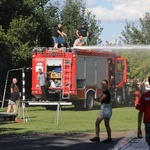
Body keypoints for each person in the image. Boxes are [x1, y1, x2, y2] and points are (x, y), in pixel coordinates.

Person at [136, 76, 150, 149]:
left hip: (148, 122)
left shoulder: (144, 96)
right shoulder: (144, 96)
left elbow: (140, 113)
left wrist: (139, 128)